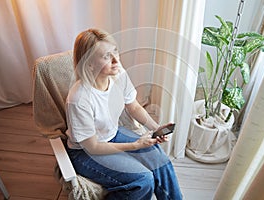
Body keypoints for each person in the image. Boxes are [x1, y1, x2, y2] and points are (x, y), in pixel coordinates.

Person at [65, 28, 182, 200]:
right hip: (85, 153)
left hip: (112, 134)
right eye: (106, 56)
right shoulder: (79, 99)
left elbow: (133, 107)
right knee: (143, 179)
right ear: (89, 63)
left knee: (159, 160)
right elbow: (93, 147)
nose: (116, 60)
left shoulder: (118, 74)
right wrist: (135, 145)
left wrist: (156, 128)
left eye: (115, 52)